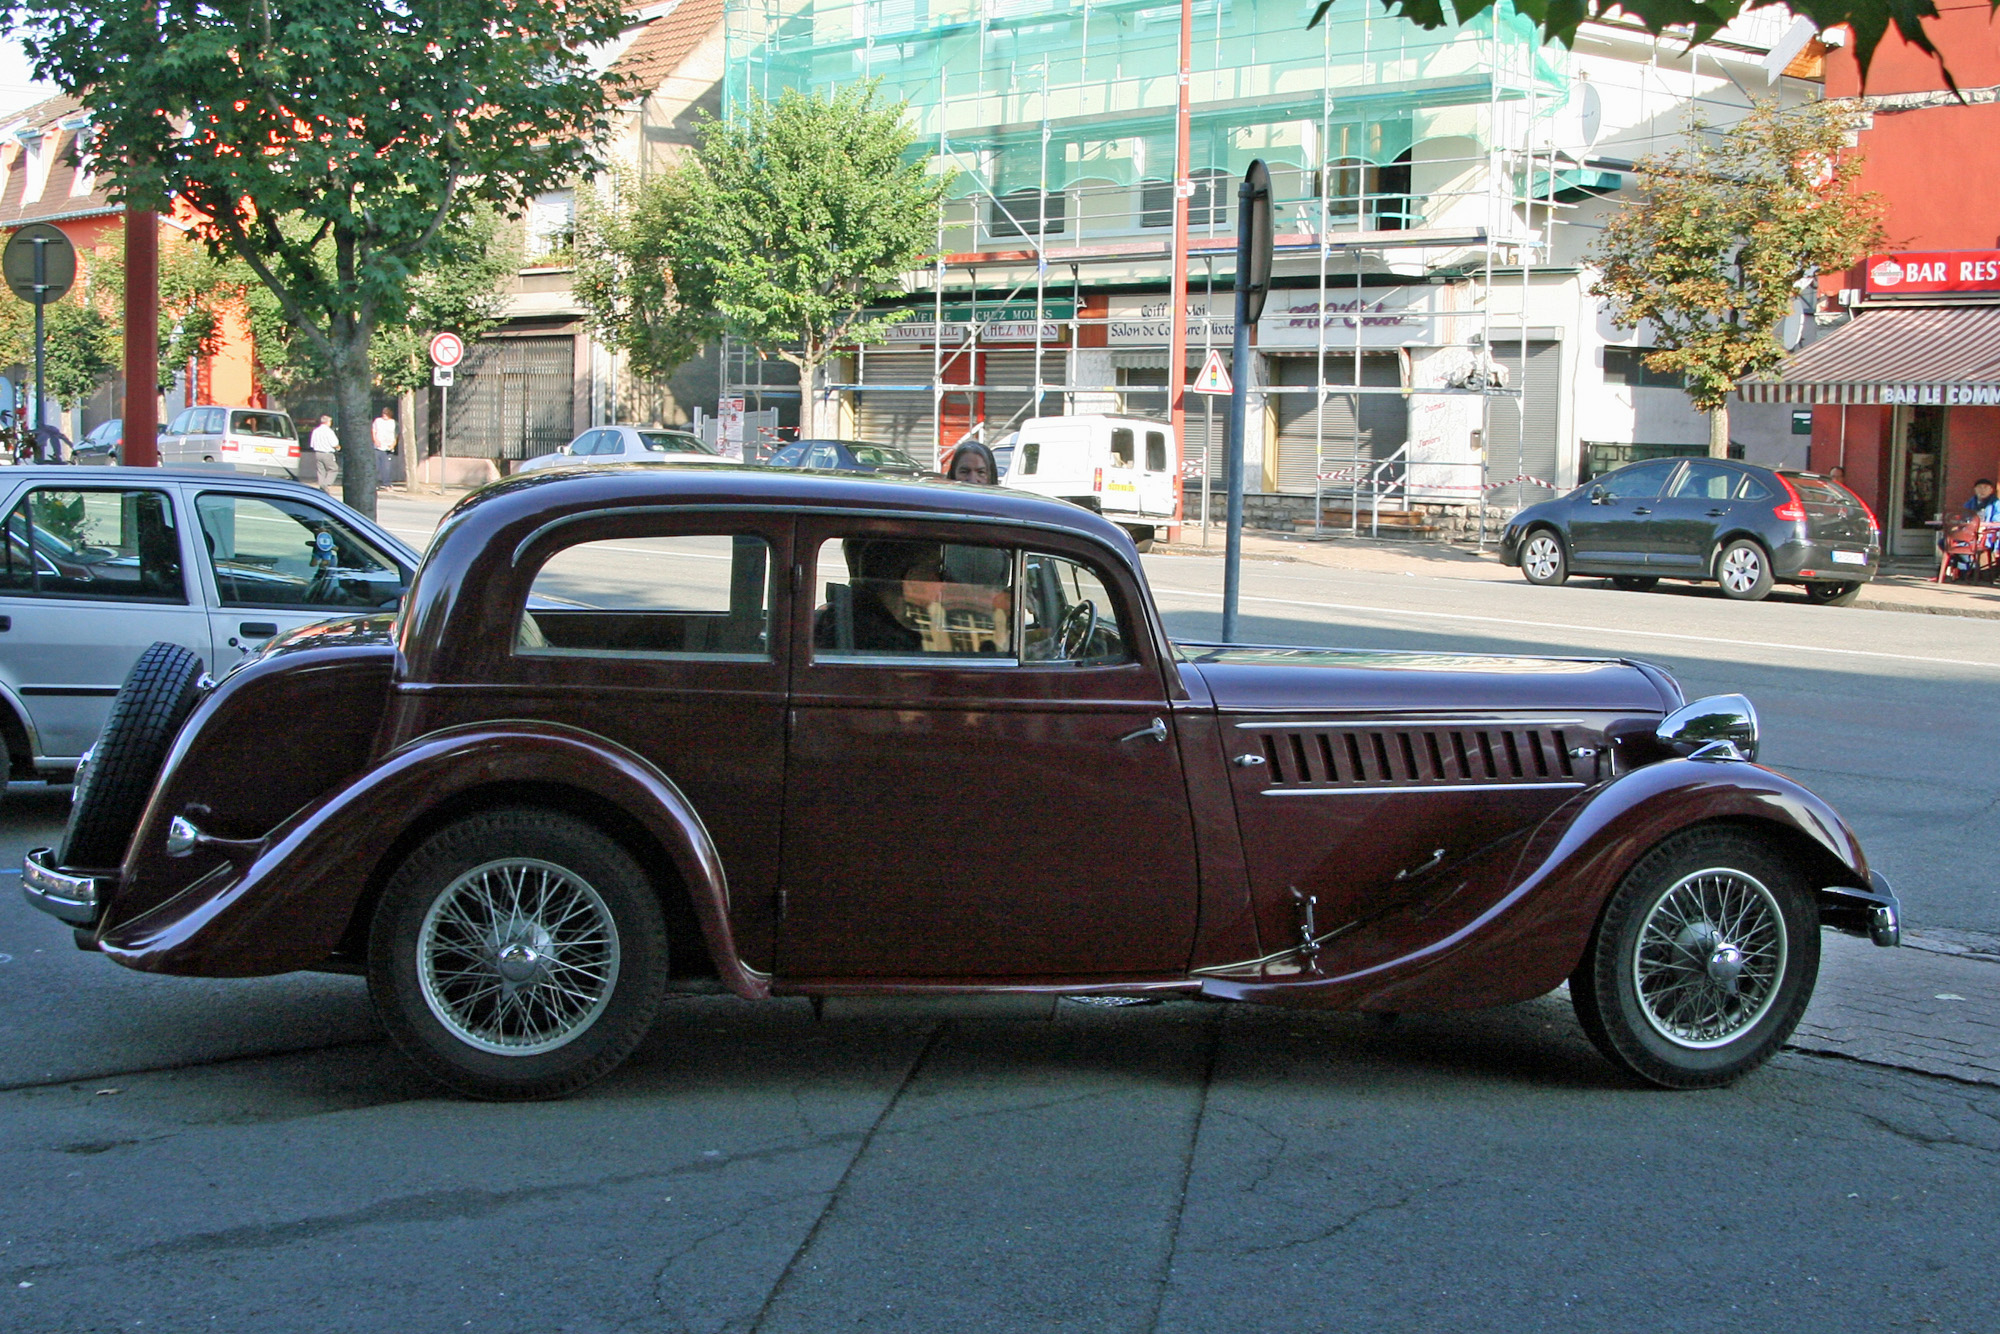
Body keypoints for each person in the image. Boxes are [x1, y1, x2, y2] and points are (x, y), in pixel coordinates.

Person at [813, 539, 942, 653]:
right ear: (913, 582)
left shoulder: (844, 620)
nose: (943, 581)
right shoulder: (885, 644)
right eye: (937, 571)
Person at [371, 407, 404, 487]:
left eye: (386, 414)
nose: (385, 416)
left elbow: (396, 435)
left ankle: (387, 483)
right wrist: (375, 440)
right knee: (376, 466)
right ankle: (373, 483)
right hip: (378, 447)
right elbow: (373, 431)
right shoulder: (378, 421)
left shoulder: (393, 423)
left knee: (387, 467)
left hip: (388, 448)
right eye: (384, 414)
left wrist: (393, 445)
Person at [307, 414, 339, 491]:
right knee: (333, 469)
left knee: (321, 471)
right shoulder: (329, 431)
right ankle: (326, 483)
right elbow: (334, 443)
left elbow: (312, 444)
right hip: (327, 453)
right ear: (328, 422)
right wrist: (338, 447)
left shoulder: (315, 431)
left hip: (318, 453)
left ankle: (322, 486)